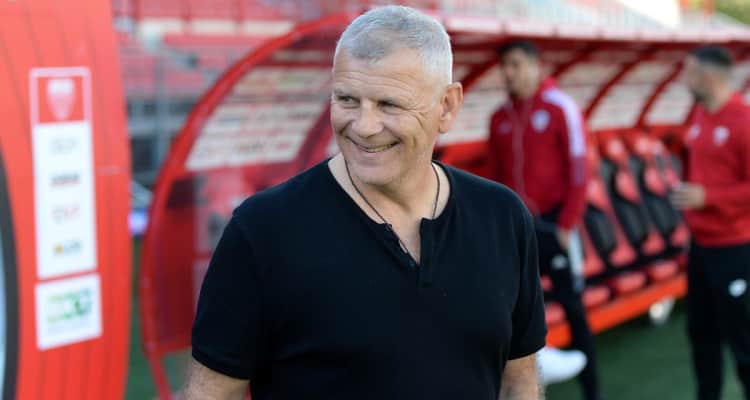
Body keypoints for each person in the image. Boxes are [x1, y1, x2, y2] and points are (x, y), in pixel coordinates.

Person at [184, 6, 547, 400]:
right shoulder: (262, 231)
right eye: (347, 99)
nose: (364, 126)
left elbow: (519, 381)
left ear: (446, 106)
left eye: (389, 104)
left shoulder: (502, 218)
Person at [487, 40, 603, 400]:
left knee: (573, 307)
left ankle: (592, 391)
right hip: (516, 230)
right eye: (504, 66)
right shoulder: (499, 118)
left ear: (536, 66)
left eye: (516, 64)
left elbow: (581, 169)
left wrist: (567, 225)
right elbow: (493, 179)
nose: (509, 73)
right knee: (511, 311)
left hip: (555, 226)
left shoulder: (560, 107)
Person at [671, 45, 750, 400]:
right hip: (701, 248)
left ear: (708, 74)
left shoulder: (743, 121)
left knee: (743, 340)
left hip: (735, 248)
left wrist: (709, 197)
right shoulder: (699, 116)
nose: (684, 80)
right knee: (702, 337)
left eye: (689, 72)